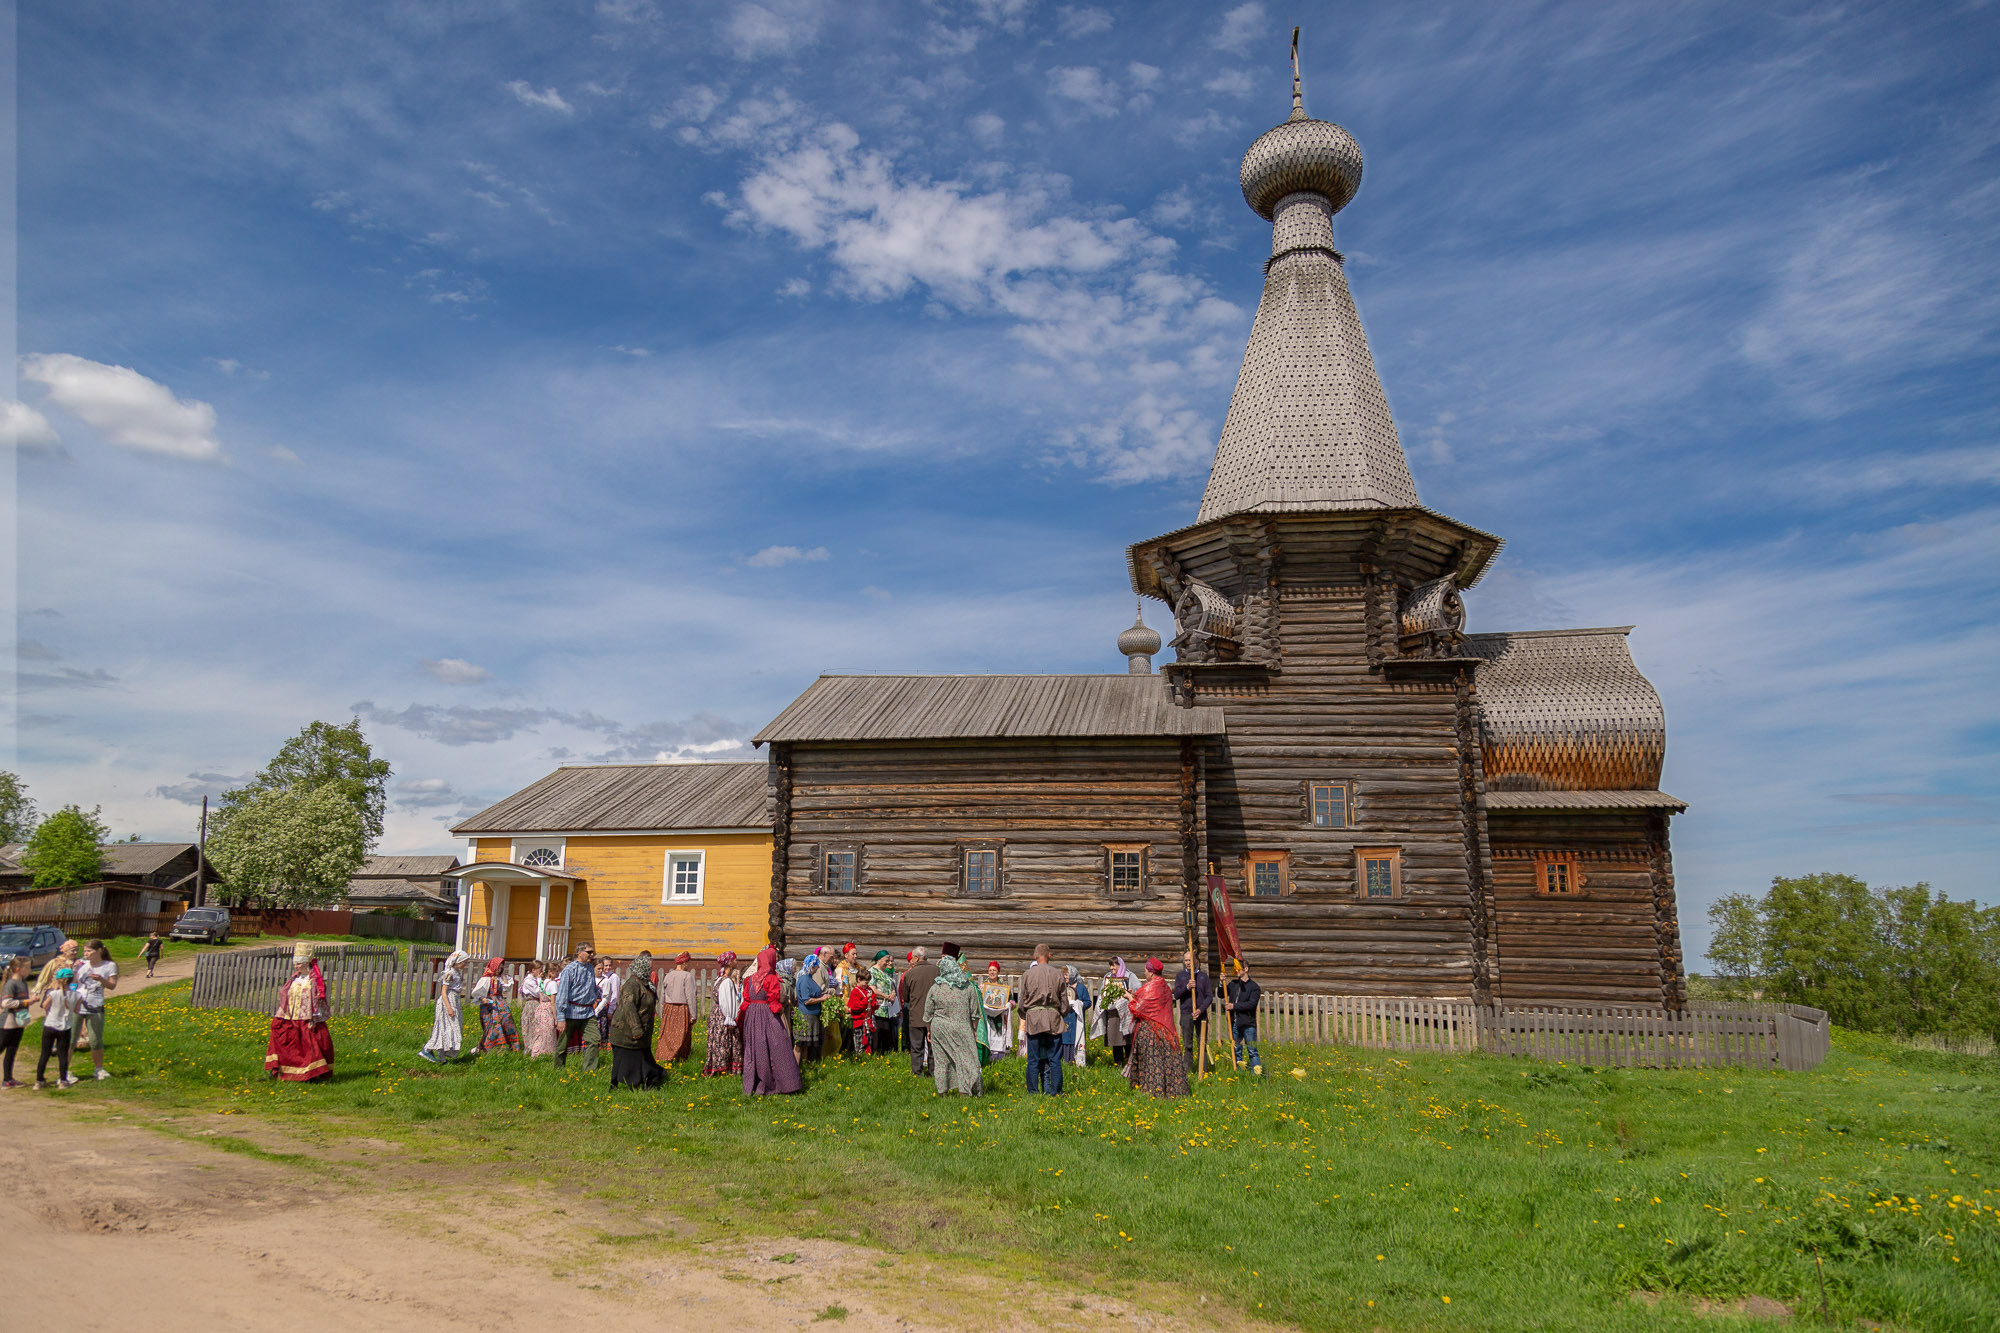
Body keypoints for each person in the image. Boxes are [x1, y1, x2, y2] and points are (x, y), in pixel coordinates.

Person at [265, 941, 333, 1082]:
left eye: (298, 963)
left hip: (307, 1019)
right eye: (294, 963)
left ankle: (310, 1074)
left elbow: (317, 1001)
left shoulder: (314, 981)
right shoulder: (294, 979)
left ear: (306, 963)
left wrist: (313, 1019)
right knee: (280, 1039)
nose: (295, 966)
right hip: (290, 1018)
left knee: (308, 1046)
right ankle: (278, 1072)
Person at [739, 946, 803, 1095]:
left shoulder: (749, 979)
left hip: (751, 1017)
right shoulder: (772, 979)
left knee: (756, 1049)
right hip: (767, 1015)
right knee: (779, 1047)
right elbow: (774, 1004)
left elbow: (746, 1000)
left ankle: (755, 1084)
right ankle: (782, 1085)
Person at [1124, 958, 1189, 1099]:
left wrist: (1130, 998)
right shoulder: (1164, 986)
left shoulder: (1150, 987)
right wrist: (1135, 994)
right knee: (1165, 1060)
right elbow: (1150, 1004)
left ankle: (1153, 1091)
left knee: (1152, 1061)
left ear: (1152, 973)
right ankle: (1174, 1090)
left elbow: (1138, 1008)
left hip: (1150, 1031)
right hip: (1165, 1030)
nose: (1145, 973)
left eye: (1146, 970)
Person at [922, 951, 982, 1096]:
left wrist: (929, 1030)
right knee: (967, 1059)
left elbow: (928, 1013)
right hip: (962, 1027)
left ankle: (942, 1092)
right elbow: (975, 1013)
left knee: (942, 1060)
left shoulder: (935, 988)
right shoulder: (967, 987)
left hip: (939, 1027)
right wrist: (974, 1029)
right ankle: (965, 1091)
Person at [608, 952, 666, 1089]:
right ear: (642, 969)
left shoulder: (645, 984)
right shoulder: (632, 985)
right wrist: (636, 1029)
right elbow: (629, 1007)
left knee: (644, 1059)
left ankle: (646, 1081)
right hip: (627, 1033)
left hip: (640, 1035)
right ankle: (626, 1084)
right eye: (649, 968)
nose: (651, 971)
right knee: (630, 1060)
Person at [1018, 944, 1068, 1095]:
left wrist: (1023, 1014)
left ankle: (1033, 1091)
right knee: (1054, 1059)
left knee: (1033, 1058)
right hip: (1053, 1019)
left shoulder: (1027, 974)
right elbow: (1064, 1000)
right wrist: (1063, 1013)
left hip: (1034, 1019)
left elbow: (1022, 1001)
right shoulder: (1058, 974)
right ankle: (1055, 1091)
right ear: (1049, 956)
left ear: (1035, 956)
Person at [71, 939, 118, 1079]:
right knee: (71, 1038)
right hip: (77, 1005)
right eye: (84, 951)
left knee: (95, 1039)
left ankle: (99, 1069)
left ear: (99, 951)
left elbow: (112, 985)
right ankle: (65, 1071)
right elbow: (73, 983)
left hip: (96, 1005)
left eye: (89, 951)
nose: (86, 954)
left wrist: (100, 979)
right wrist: (71, 994)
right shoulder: (80, 964)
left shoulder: (109, 965)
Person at [553, 943, 601, 1071]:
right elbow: (562, 993)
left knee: (594, 1040)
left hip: (588, 1013)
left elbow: (591, 988)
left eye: (592, 952)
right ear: (579, 952)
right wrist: (561, 1017)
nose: (591, 955)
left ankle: (589, 1070)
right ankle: (558, 1070)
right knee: (563, 1044)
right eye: (588, 952)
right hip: (571, 1012)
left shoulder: (590, 968)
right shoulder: (569, 969)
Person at [421, 949, 469, 1063]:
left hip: (455, 1001)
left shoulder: (457, 973)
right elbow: (443, 991)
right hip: (448, 1001)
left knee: (450, 1028)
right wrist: (449, 1008)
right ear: (458, 961)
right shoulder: (449, 973)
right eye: (464, 962)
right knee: (446, 1027)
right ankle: (427, 1050)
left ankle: (442, 1058)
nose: (465, 964)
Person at [35, 966, 79, 1088]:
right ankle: (63, 1081)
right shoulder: (77, 995)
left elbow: (44, 1006)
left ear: (58, 980)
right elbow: (77, 1010)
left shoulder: (53, 993)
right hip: (65, 1027)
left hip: (50, 1025)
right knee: (63, 1054)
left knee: (45, 1053)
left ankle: (39, 1081)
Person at [701, 951, 743, 1076]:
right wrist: (729, 1018)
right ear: (730, 963)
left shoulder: (718, 979)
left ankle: (718, 1067)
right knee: (725, 1042)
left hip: (717, 1014)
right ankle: (724, 1069)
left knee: (718, 1041)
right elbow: (726, 1001)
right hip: (723, 1015)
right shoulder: (726, 982)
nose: (737, 961)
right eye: (735, 959)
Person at [1173, 949, 1215, 1074]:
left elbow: (1209, 996)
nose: (1188, 963)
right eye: (1186, 960)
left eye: (1190, 960)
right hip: (1187, 1013)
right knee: (1188, 1044)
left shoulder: (1203, 977)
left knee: (1202, 1043)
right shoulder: (1180, 977)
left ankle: (1204, 1070)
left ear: (1195, 960)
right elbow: (1177, 995)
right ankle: (1189, 1071)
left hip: (1201, 1014)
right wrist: (1187, 987)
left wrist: (1200, 1009)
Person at [899, 946, 938, 1076]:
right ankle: (934, 1072)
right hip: (934, 1015)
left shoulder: (910, 973)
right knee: (933, 1046)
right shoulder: (937, 971)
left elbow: (905, 997)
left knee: (916, 1046)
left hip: (916, 1014)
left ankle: (917, 1072)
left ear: (916, 957)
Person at [654, 951, 698, 1064]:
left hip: (669, 1008)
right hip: (681, 1009)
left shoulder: (668, 975)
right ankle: (678, 1058)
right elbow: (690, 996)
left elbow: (662, 995)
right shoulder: (687, 976)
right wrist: (693, 1015)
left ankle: (665, 1056)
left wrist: (663, 1010)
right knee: (681, 1035)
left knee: (668, 1034)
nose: (689, 965)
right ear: (684, 963)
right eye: (688, 963)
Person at [471, 957, 522, 1054]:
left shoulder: (501, 978)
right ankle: (489, 1048)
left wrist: (503, 976)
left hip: (500, 1003)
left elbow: (507, 988)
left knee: (507, 1021)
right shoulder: (486, 978)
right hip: (489, 1005)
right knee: (493, 1025)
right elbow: (477, 992)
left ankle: (512, 1046)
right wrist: (483, 999)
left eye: (501, 968)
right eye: (498, 968)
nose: (499, 970)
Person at [2, 954, 35, 1088]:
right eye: (27, 968)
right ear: (17, 969)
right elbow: (5, 1003)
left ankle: (8, 1080)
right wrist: (27, 1001)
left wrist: (30, 1001)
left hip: (19, 1022)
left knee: (12, 1051)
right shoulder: (11, 984)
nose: (30, 970)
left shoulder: (23, 983)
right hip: (7, 1023)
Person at [1225, 962, 1263, 1073]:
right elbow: (1222, 994)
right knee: (1236, 1049)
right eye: (1234, 968)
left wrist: (1234, 1006)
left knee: (1252, 1050)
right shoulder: (1233, 984)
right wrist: (1221, 983)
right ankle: (1239, 1073)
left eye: (1238, 968)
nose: (1236, 970)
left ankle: (1256, 1074)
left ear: (1246, 969)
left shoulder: (1254, 987)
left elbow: (1251, 1004)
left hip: (1248, 1023)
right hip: (1235, 1022)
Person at [519, 960, 562, 1057]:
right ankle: (531, 1048)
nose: (541, 972)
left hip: (538, 1004)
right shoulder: (529, 981)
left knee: (538, 1028)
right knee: (531, 1027)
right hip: (532, 1004)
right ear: (533, 970)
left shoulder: (540, 981)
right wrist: (539, 980)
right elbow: (537, 992)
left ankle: (539, 1049)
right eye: (539, 969)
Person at [1097, 960, 1133, 1068]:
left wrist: (1132, 991)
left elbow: (1137, 988)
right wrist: (1105, 994)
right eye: (1111, 968)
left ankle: (1129, 1063)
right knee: (1115, 1037)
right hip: (1113, 1013)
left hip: (1125, 1013)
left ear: (1120, 966)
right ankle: (1118, 1062)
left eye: (1114, 968)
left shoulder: (1129, 975)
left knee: (1126, 1037)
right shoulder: (1108, 977)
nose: (1112, 970)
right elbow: (1102, 991)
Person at [978, 961, 1013, 1062]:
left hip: (1000, 1017)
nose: (992, 972)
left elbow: (1010, 999)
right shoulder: (983, 986)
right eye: (990, 970)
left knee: (1000, 1038)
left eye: (994, 970)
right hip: (987, 1017)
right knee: (989, 1036)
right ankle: (988, 1060)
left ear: (998, 972)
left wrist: (1010, 1004)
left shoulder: (1004, 986)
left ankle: (1000, 1060)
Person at [794, 952, 826, 1063]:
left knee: (806, 1045)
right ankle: (796, 1068)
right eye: (816, 966)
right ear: (812, 966)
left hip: (811, 1016)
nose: (817, 968)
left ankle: (805, 1065)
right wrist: (822, 999)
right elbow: (806, 1000)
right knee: (800, 1044)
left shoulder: (808, 978)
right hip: (806, 1016)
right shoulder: (804, 980)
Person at [778, 957, 809, 1066]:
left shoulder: (790, 981)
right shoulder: (784, 982)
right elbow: (783, 998)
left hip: (789, 1012)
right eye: (793, 967)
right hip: (783, 1013)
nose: (794, 970)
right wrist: (789, 1001)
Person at [869, 950, 900, 1056]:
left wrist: (892, 993)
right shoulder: (872, 971)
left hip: (888, 1007)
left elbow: (891, 985)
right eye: (886, 961)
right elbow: (872, 989)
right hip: (878, 1007)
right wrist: (886, 996)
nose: (888, 963)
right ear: (879, 960)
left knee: (887, 1030)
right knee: (879, 1031)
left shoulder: (885, 972)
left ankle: (886, 1052)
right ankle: (877, 1053)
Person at [844, 960, 877, 1055]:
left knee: (869, 1041)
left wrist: (873, 1003)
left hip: (868, 1020)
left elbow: (873, 1003)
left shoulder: (869, 989)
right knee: (859, 1042)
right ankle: (859, 1058)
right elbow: (855, 1007)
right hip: (859, 1021)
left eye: (867, 983)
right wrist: (867, 999)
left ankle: (868, 1057)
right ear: (859, 980)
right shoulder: (855, 992)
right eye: (865, 983)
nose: (866, 985)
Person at [1061, 965, 1091, 1068]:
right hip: (1065, 1018)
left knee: (1075, 1037)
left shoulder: (1081, 988)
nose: (1065, 977)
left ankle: (1077, 1062)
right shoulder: (1063, 987)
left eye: (1067, 974)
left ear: (1073, 974)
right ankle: (1065, 1061)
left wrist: (1079, 1004)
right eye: (1064, 975)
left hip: (1076, 1018)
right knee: (1065, 1038)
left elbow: (1088, 1002)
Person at [592, 956, 621, 1058]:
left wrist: (611, 1010)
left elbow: (614, 995)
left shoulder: (613, 978)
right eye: (605, 965)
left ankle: (604, 1050)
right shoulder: (597, 977)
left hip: (607, 1006)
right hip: (594, 1006)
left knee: (605, 1029)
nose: (607, 968)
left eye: (609, 965)